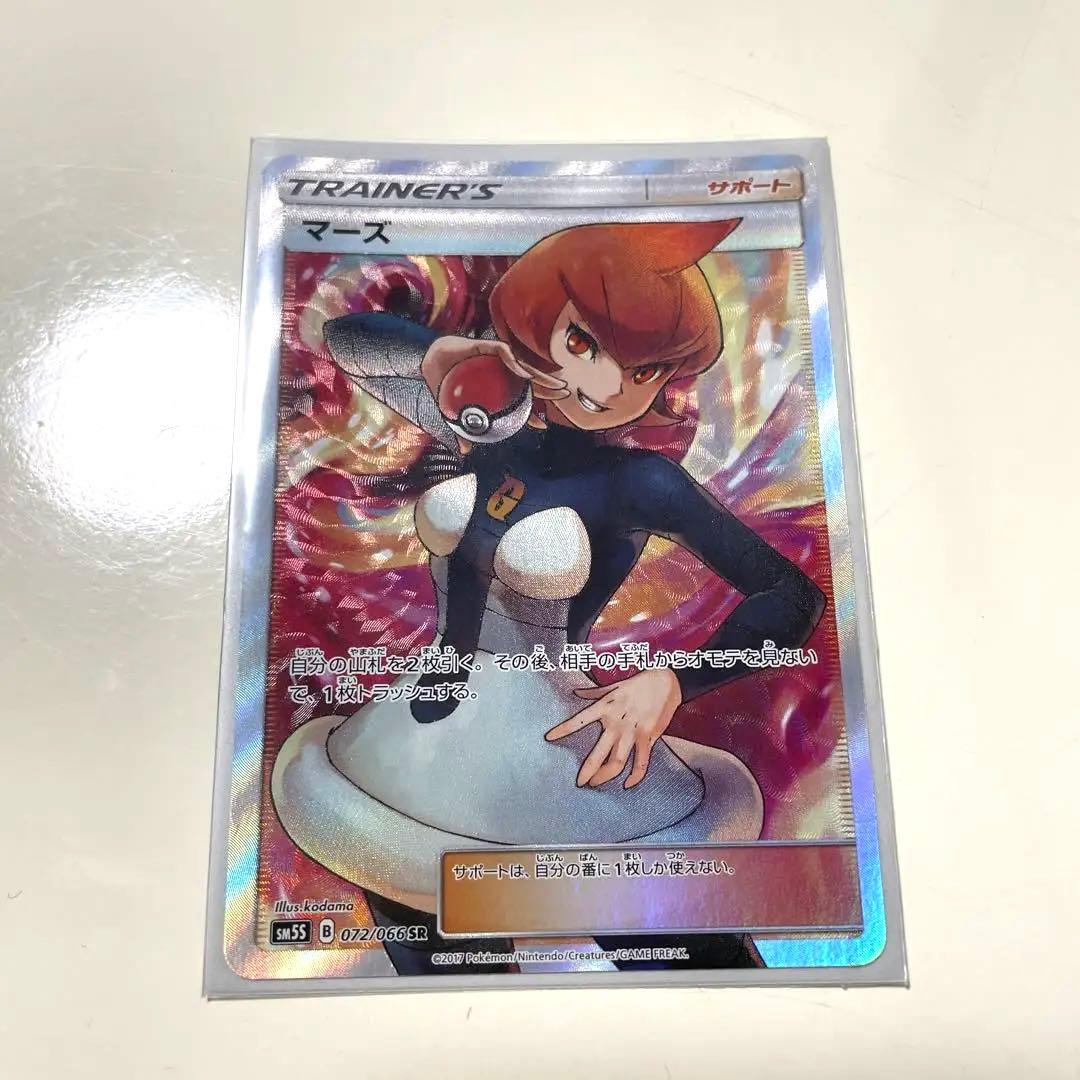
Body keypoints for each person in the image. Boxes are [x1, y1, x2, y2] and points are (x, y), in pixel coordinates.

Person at [271, 220, 825, 974]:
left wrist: (675, 681)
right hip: (414, 750)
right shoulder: (488, 431)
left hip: (554, 750)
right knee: (444, 989)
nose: (609, 387)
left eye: (644, 370)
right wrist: (444, 357)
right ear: (534, 326)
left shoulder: (640, 482)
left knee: (691, 969)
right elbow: (345, 338)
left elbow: (790, 594)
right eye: (584, 344)